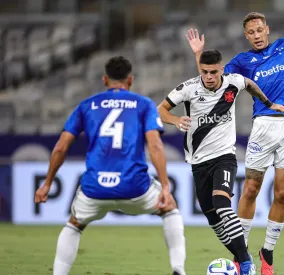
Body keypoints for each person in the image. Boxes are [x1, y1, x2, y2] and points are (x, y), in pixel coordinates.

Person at [185, 0, 284, 273]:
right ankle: (242, 256)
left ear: (267, 29)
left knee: (283, 194)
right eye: (251, 32)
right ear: (246, 36)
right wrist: (199, 55)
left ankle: (268, 253)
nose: (256, 35)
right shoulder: (242, 61)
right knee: (251, 189)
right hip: (262, 126)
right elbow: (212, 81)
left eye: (260, 30)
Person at [34, 56, 186, 275]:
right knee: (170, 211)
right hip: (134, 185)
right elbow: (155, 146)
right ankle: (178, 269)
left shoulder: (87, 105)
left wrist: (47, 183)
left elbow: (60, 147)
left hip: (95, 187)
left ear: (105, 80)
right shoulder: (143, 105)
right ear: (130, 80)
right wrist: (165, 187)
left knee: (75, 224)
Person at [157, 49, 284, 275]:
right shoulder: (188, 88)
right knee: (213, 218)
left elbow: (249, 84)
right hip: (198, 162)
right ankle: (241, 255)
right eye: (204, 72)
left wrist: (268, 103)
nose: (208, 76)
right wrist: (176, 120)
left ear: (222, 70)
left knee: (221, 204)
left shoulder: (233, 82)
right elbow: (160, 110)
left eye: (213, 72)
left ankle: (246, 265)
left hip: (224, 157)